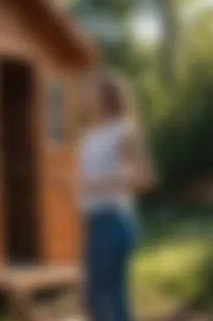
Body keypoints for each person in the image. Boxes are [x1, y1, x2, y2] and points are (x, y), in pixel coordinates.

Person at [77, 69, 156, 321]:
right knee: (94, 297)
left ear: (106, 96)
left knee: (108, 298)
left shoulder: (124, 130)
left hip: (114, 220)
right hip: (94, 222)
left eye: (91, 90)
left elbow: (145, 178)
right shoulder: (89, 135)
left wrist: (99, 184)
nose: (85, 94)